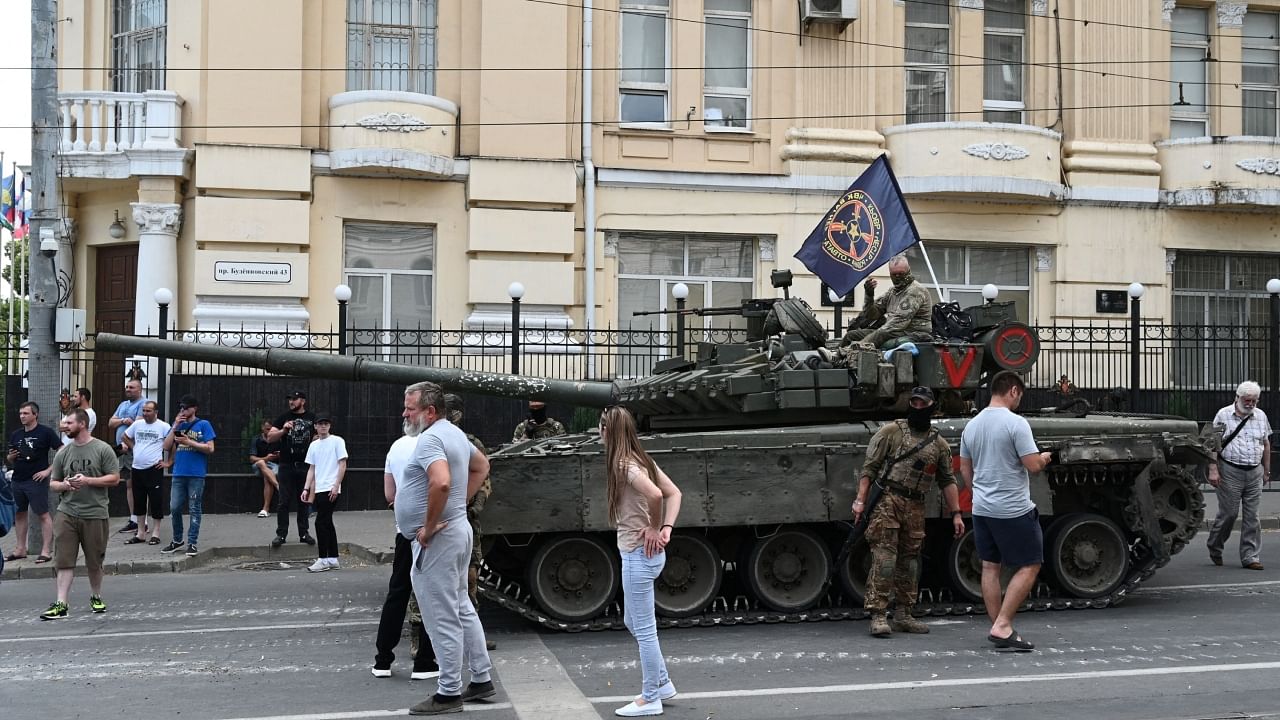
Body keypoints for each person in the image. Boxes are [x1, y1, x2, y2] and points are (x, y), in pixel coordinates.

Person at [400, 381, 497, 716]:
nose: (405, 413)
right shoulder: (454, 432)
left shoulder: (430, 438)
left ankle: (448, 692)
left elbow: (440, 481)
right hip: (458, 529)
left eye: (410, 408)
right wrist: (458, 504)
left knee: (441, 615)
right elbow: (481, 466)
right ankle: (481, 677)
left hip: (439, 537)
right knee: (460, 605)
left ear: (429, 411)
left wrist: (427, 526)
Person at [853, 387, 965, 638]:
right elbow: (869, 469)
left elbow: (947, 480)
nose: (916, 408)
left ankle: (904, 613)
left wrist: (956, 513)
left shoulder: (939, 444)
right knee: (885, 558)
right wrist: (860, 501)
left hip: (915, 504)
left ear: (931, 407)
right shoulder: (891, 432)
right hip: (888, 500)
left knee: (910, 561)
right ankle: (879, 614)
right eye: (913, 403)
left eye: (921, 404)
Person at [959, 370, 1053, 652]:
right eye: (1019, 396)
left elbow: (965, 468)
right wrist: (1045, 457)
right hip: (1012, 509)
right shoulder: (1016, 424)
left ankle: (998, 625)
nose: (1018, 401)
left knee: (990, 566)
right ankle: (1002, 625)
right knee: (1030, 564)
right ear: (1013, 391)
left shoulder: (971, 426)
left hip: (982, 508)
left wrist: (978, 494)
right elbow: (1032, 465)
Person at [600, 406, 682, 717]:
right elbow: (675, 493)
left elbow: (658, 496)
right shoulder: (642, 459)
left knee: (644, 629)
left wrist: (654, 527)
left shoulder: (624, 465)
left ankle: (650, 698)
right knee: (632, 622)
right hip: (645, 554)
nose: (599, 434)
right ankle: (661, 683)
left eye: (601, 428)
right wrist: (666, 529)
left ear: (608, 432)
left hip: (638, 554)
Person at [40, 409, 120, 620]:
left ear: (82, 424)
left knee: (95, 561)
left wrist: (88, 481)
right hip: (66, 513)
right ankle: (61, 603)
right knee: (64, 560)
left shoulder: (102, 449)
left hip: (95, 513)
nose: (64, 426)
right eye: (65, 423)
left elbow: (114, 478)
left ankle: (96, 596)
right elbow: (53, 484)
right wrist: (65, 485)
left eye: (69, 423)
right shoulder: (63, 453)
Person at [373, 429, 438, 681]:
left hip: (404, 530)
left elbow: (390, 494)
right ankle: (425, 661)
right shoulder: (434, 444)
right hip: (430, 531)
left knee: (397, 592)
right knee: (430, 595)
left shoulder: (396, 446)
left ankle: (383, 660)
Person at [443, 394, 499, 652]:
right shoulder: (428, 441)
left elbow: (484, 476)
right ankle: (425, 637)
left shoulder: (469, 443)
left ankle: (471, 635)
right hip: (438, 519)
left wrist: (474, 505)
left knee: (470, 579)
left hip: (465, 519)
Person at [1207, 380, 1272, 571]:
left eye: (1254, 401)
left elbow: (1266, 444)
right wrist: (1213, 469)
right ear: (1237, 398)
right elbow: (1212, 443)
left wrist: (1266, 470)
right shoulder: (1223, 414)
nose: (1251, 404)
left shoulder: (1260, 416)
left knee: (1253, 517)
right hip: (1229, 471)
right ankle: (1215, 546)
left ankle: (1250, 556)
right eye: (1247, 400)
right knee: (1229, 514)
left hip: (1254, 471)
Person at [4, 401, 61, 564]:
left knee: (43, 514)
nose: (22, 416)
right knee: (19, 514)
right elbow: (9, 457)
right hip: (18, 479)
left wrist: (48, 471)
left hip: (36, 480)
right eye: (21, 413)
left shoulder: (46, 432)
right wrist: (10, 458)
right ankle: (20, 549)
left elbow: (62, 450)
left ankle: (45, 550)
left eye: (26, 413)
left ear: (35, 415)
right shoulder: (16, 434)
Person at [839, 254, 933, 349]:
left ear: (908, 271)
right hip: (893, 332)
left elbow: (898, 322)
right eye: (894, 274)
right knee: (851, 336)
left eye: (901, 273)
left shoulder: (915, 291)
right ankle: (838, 357)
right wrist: (869, 295)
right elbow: (872, 315)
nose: (897, 277)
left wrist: (862, 344)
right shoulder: (893, 292)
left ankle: (850, 352)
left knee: (879, 334)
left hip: (911, 332)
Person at [162, 395, 216, 556]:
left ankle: (192, 542)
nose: (183, 411)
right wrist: (175, 426)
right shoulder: (179, 424)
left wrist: (189, 442)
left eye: (186, 408)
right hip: (179, 473)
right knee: (174, 507)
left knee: (194, 508)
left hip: (196, 474)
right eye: (181, 408)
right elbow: (166, 446)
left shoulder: (204, 425)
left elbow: (210, 448)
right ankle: (177, 539)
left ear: (194, 408)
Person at [269, 391, 316, 548]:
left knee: (303, 501)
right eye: (289, 399)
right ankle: (281, 534)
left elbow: (322, 435)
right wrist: (283, 430)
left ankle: (304, 533)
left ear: (303, 401)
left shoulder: (312, 418)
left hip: (305, 464)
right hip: (286, 464)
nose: (291, 402)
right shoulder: (284, 417)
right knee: (284, 501)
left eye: (294, 399)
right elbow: (270, 437)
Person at [302, 414, 348, 573]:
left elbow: (342, 464)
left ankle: (323, 559)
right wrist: (306, 488)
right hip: (320, 487)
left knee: (320, 522)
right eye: (320, 424)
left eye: (326, 424)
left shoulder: (337, 441)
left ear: (330, 426)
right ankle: (333, 558)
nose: (323, 426)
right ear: (315, 426)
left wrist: (336, 486)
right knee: (327, 522)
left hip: (331, 487)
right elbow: (311, 469)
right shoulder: (314, 446)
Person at [121, 401, 170, 545]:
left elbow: (172, 444)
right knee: (139, 501)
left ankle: (156, 533)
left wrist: (169, 462)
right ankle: (141, 533)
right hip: (137, 468)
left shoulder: (163, 426)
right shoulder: (137, 424)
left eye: (148, 411)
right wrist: (134, 447)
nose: (145, 413)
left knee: (155, 500)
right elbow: (124, 436)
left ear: (156, 412)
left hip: (154, 469)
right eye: (144, 410)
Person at [109, 378, 148, 535]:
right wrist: (124, 420)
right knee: (129, 485)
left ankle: (142, 521)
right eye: (127, 387)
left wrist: (122, 422)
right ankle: (133, 519)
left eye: (131, 387)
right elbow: (110, 423)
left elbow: (138, 423)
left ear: (140, 389)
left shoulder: (144, 404)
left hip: (134, 450)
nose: (128, 389)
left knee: (139, 485)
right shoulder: (123, 405)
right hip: (122, 452)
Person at [249, 420, 280, 518]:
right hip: (259, 465)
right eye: (268, 429)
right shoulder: (256, 439)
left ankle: (265, 509)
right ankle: (277, 485)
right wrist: (265, 458)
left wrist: (277, 455)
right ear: (262, 428)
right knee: (262, 463)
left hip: (273, 465)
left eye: (272, 429)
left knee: (267, 476)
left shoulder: (277, 439)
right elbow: (252, 458)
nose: (270, 432)